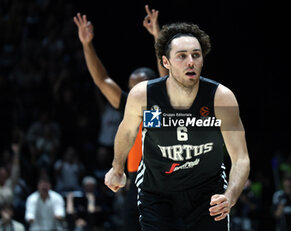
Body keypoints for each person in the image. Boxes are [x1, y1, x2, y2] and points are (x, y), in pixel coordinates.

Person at [104, 22, 250, 230]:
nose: (190, 62)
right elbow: (126, 132)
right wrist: (117, 168)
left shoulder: (221, 98)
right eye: (181, 56)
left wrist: (231, 195)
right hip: (157, 193)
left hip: (207, 193)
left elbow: (241, 157)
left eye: (196, 55)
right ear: (166, 62)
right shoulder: (144, 95)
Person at [73, 6, 166, 231]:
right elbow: (102, 80)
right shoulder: (129, 105)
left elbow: (167, 73)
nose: (134, 90)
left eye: (140, 86)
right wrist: (87, 44)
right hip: (136, 182)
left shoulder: (161, 101)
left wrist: (157, 36)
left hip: (164, 181)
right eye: (131, 87)